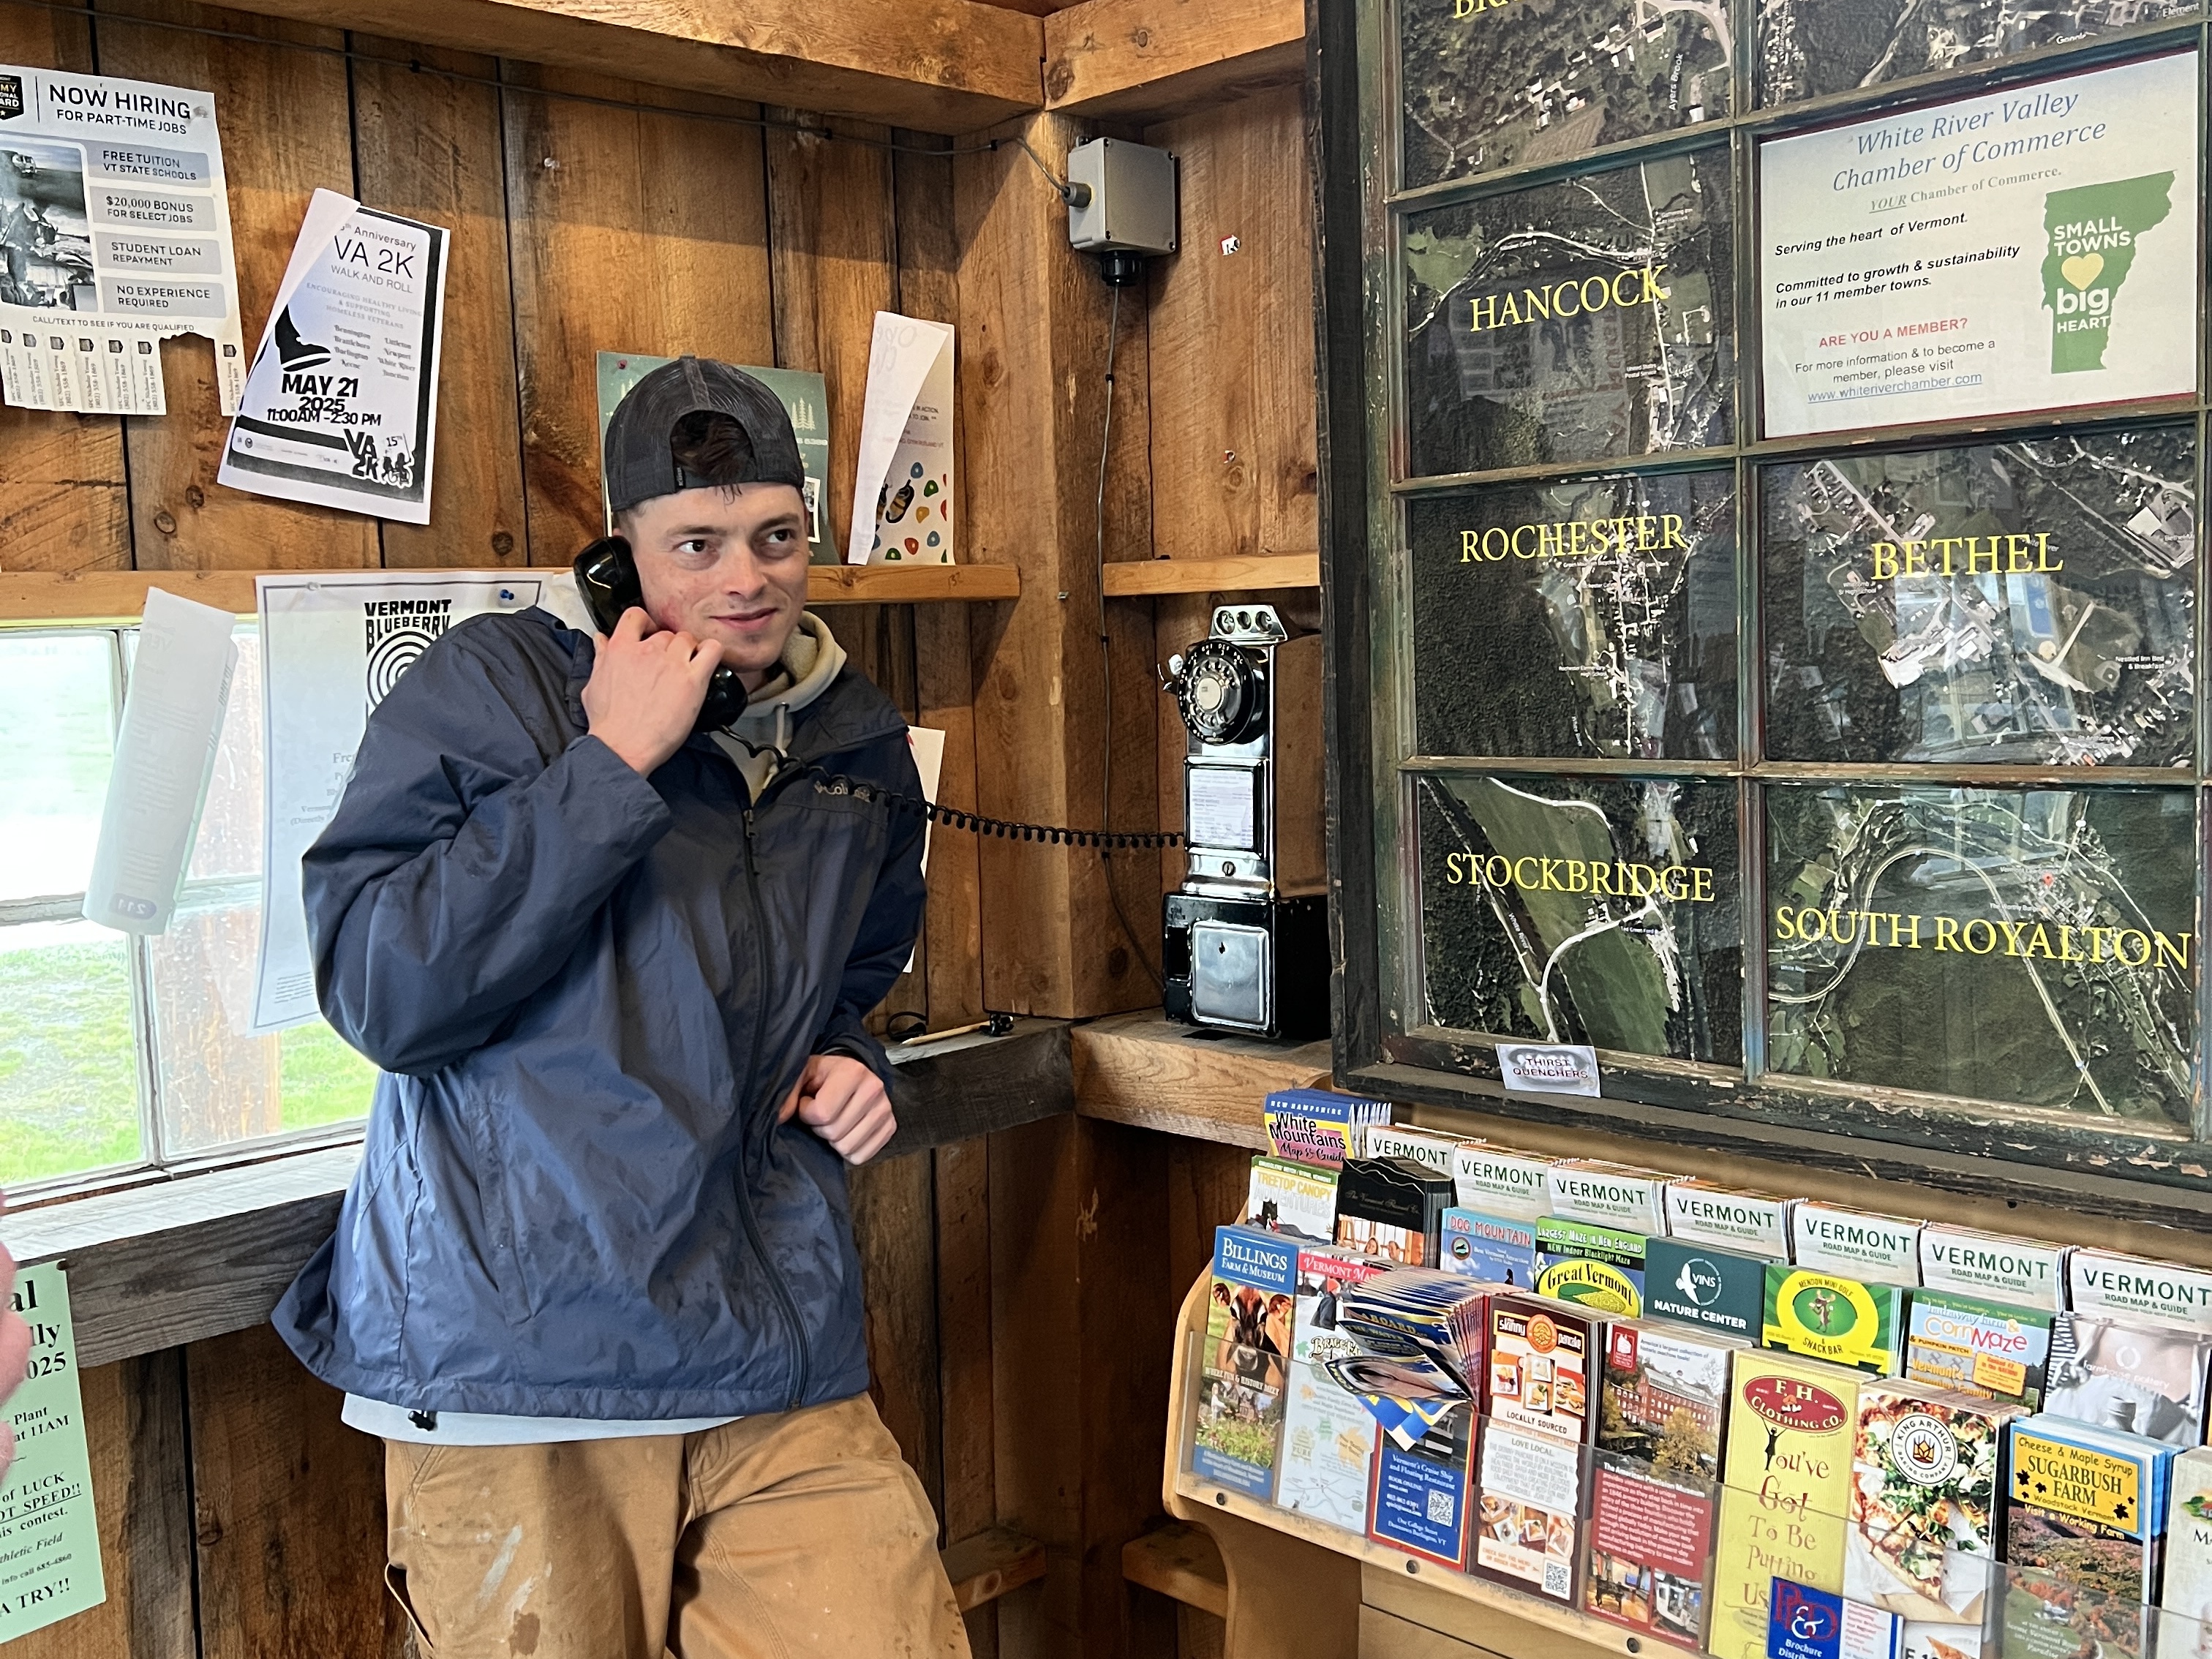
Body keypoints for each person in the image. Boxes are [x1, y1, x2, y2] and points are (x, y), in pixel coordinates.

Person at [271, 356, 963, 1658]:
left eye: (775, 538)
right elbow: (381, 988)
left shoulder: (856, 745)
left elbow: (853, 970)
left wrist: (846, 1051)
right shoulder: (492, 692)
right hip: (525, 1360)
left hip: (773, 1340)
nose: (743, 578)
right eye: (695, 543)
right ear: (619, 557)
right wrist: (611, 764)